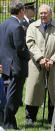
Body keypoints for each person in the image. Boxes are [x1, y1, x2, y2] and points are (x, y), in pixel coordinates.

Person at [24, 4, 55, 124]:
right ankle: (30, 117)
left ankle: (52, 118)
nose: (43, 15)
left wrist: (52, 59)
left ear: (51, 14)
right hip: (36, 64)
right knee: (34, 90)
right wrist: (40, 58)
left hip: (53, 64)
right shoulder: (32, 26)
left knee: (53, 91)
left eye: (45, 13)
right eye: (41, 13)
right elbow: (30, 43)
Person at [0, 0, 30, 129]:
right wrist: (29, 55)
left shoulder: (3, 24)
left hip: (5, 65)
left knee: (6, 96)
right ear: (21, 11)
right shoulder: (17, 26)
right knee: (13, 97)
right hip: (15, 67)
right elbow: (20, 48)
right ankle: (9, 123)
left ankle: (4, 121)